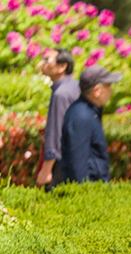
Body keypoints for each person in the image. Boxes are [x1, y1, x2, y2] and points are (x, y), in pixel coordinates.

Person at [61, 64, 120, 184]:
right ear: (97, 91)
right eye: (108, 86)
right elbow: (78, 165)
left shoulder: (89, 111)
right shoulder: (81, 116)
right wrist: (86, 195)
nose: (111, 90)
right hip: (89, 193)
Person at [37, 48, 78, 189]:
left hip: (61, 163)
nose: (42, 63)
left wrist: (47, 169)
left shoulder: (60, 94)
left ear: (62, 66)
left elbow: (56, 131)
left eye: (47, 60)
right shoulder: (75, 87)